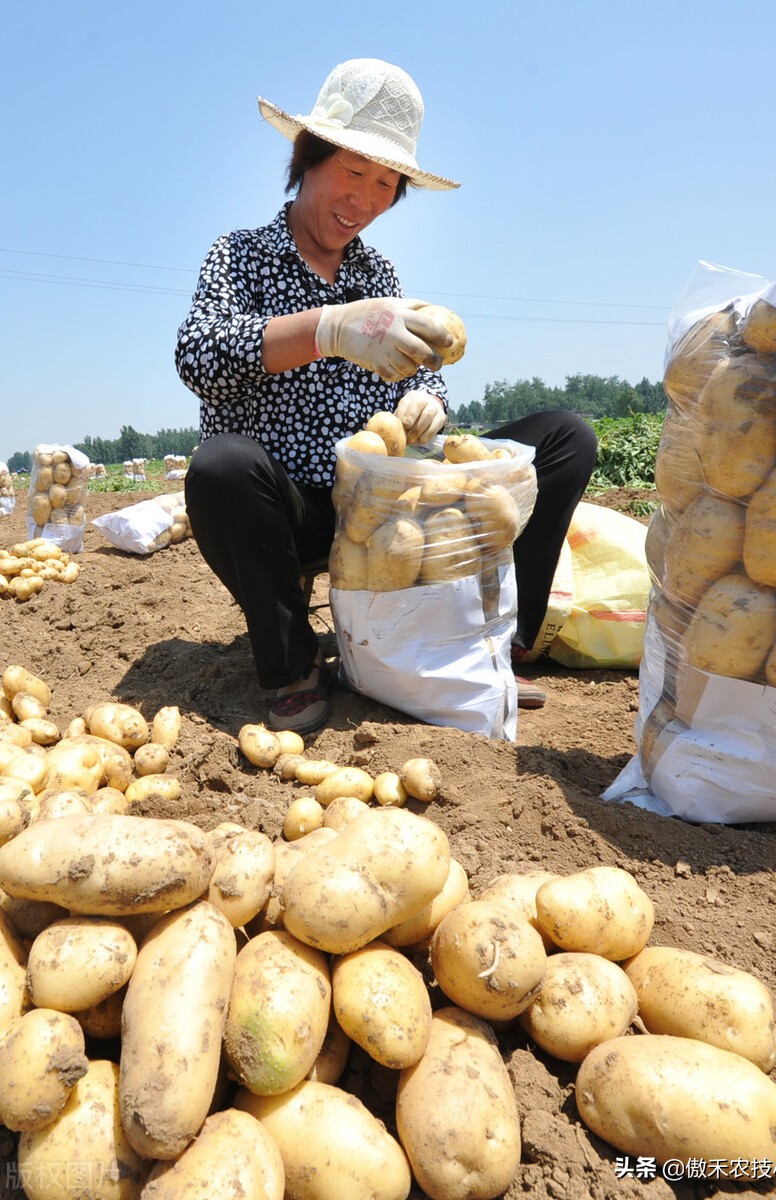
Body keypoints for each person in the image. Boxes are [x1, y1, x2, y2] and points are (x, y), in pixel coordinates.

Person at [176, 58, 597, 735]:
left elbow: (417, 367)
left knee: (564, 438)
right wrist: (327, 329)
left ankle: (498, 643)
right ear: (306, 158)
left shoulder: (378, 271)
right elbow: (200, 357)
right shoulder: (240, 255)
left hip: (384, 508)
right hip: (293, 512)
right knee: (220, 466)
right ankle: (292, 664)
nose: (366, 199)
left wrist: (427, 396)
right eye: (353, 172)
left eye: (386, 183)